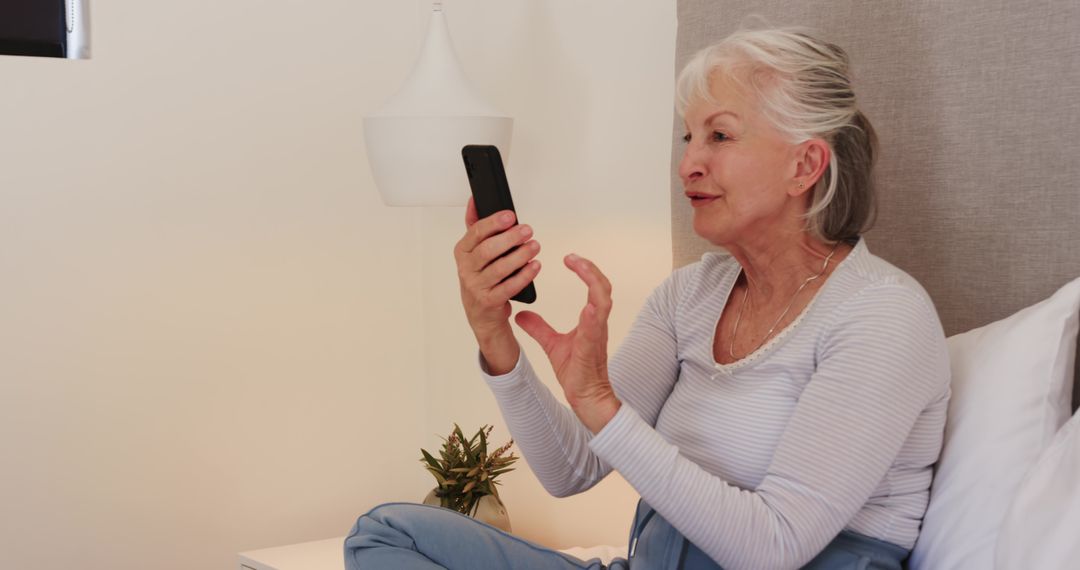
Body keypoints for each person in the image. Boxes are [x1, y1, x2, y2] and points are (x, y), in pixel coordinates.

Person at [345, 27, 950, 570]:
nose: (688, 163)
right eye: (688, 137)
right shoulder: (691, 293)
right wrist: (495, 338)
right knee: (387, 535)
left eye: (719, 135)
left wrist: (603, 406)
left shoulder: (881, 314)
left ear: (805, 165)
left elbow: (774, 546)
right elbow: (571, 469)